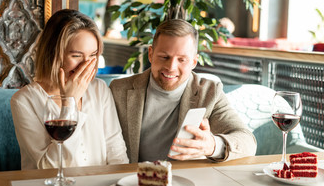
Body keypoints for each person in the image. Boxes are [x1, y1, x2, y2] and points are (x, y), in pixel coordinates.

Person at [109, 19, 256, 163]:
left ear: (193, 62)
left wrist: (213, 146)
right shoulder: (119, 90)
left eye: (182, 59)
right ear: (151, 54)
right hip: (133, 181)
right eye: (164, 57)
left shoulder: (210, 92)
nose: (171, 67)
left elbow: (248, 141)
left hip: (187, 183)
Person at [11, 9, 129, 169]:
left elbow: (117, 154)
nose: (87, 64)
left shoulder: (100, 89)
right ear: (53, 54)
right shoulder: (24, 101)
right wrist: (69, 104)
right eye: (76, 56)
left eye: (93, 55)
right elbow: (49, 167)